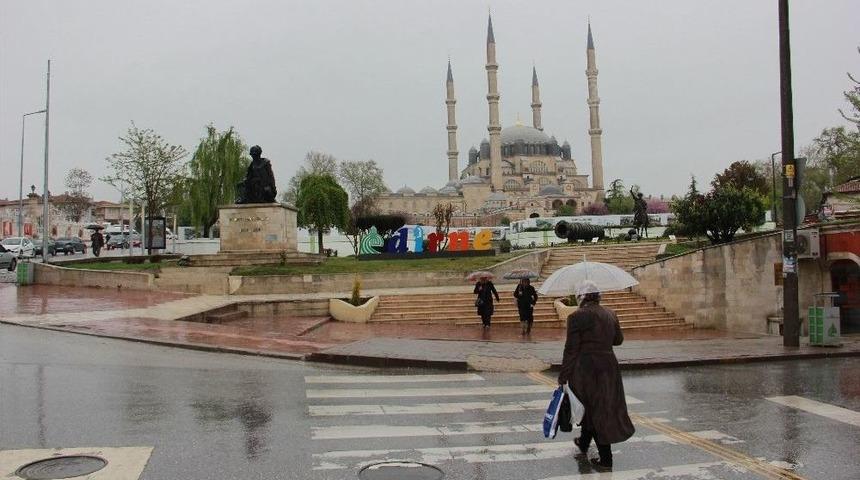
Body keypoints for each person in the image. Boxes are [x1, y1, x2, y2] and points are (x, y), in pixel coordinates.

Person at [558, 280, 635, 471]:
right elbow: (618, 340)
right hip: (609, 367)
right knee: (598, 407)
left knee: (595, 411)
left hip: (586, 369)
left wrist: (563, 376)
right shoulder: (611, 313)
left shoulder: (577, 317)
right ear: (598, 297)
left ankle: (606, 460)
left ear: (581, 297)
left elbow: (571, 349)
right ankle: (583, 443)